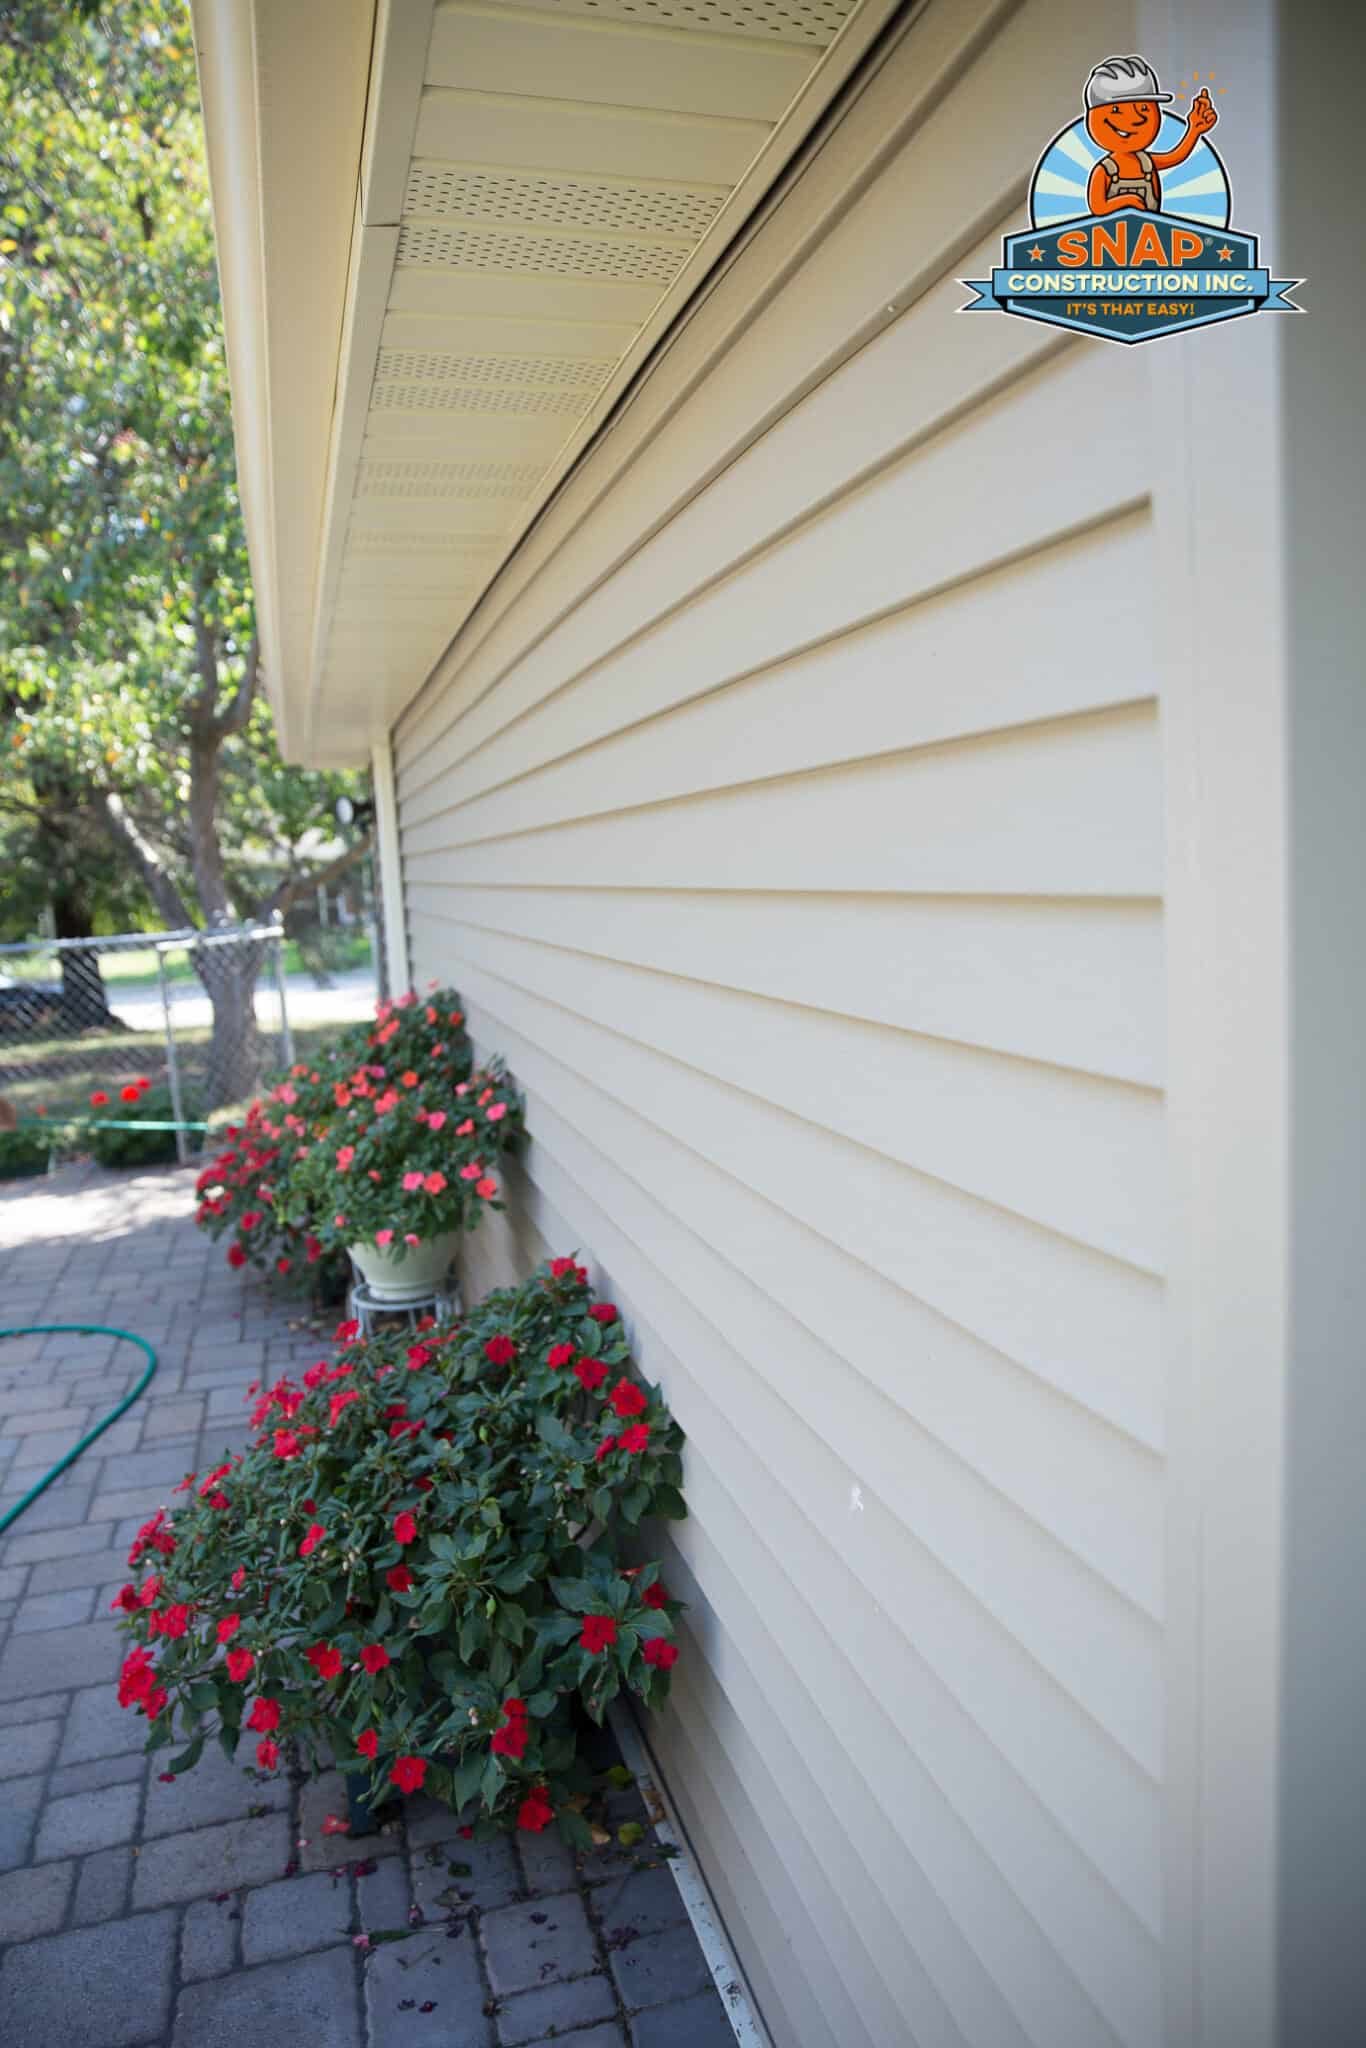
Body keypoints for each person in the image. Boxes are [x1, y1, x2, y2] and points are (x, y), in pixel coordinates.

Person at [1082, 55, 1218, 215]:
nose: (1136, 118)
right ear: (1092, 118)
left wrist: (1194, 129)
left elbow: (1176, 156)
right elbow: (1098, 207)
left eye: (1144, 108)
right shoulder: (1104, 170)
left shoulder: (1147, 163)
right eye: (1116, 110)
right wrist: (1127, 201)